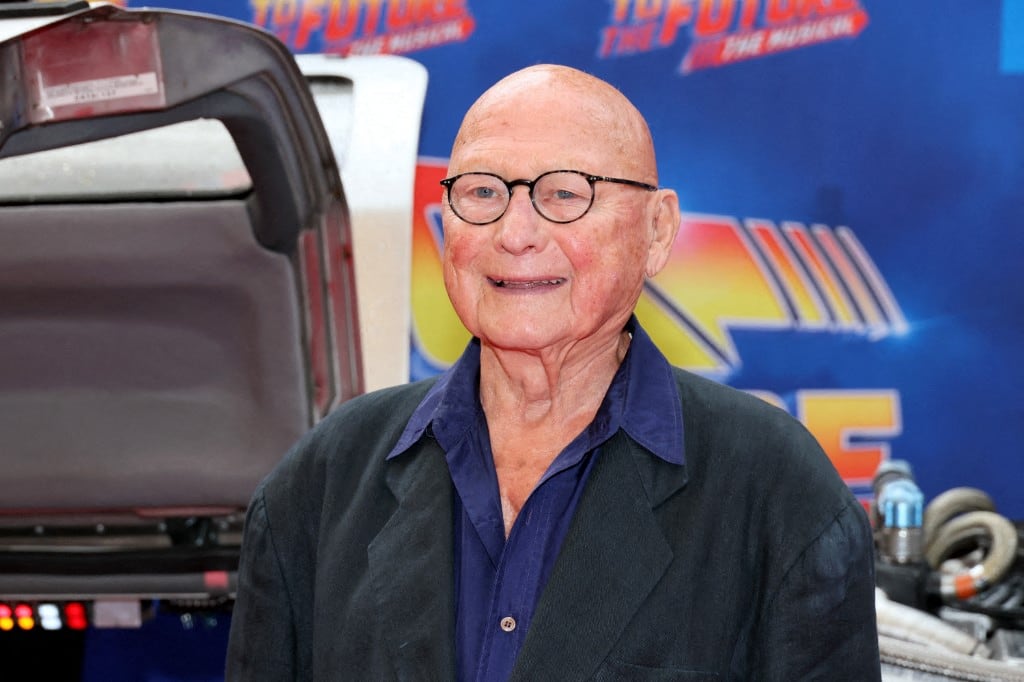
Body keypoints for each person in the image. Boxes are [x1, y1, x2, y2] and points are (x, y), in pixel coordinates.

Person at [226, 64, 881, 681]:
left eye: (564, 193)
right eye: (482, 192)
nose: (516, 232)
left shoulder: (772, 488)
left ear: (657, 231)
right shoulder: (325, 480)